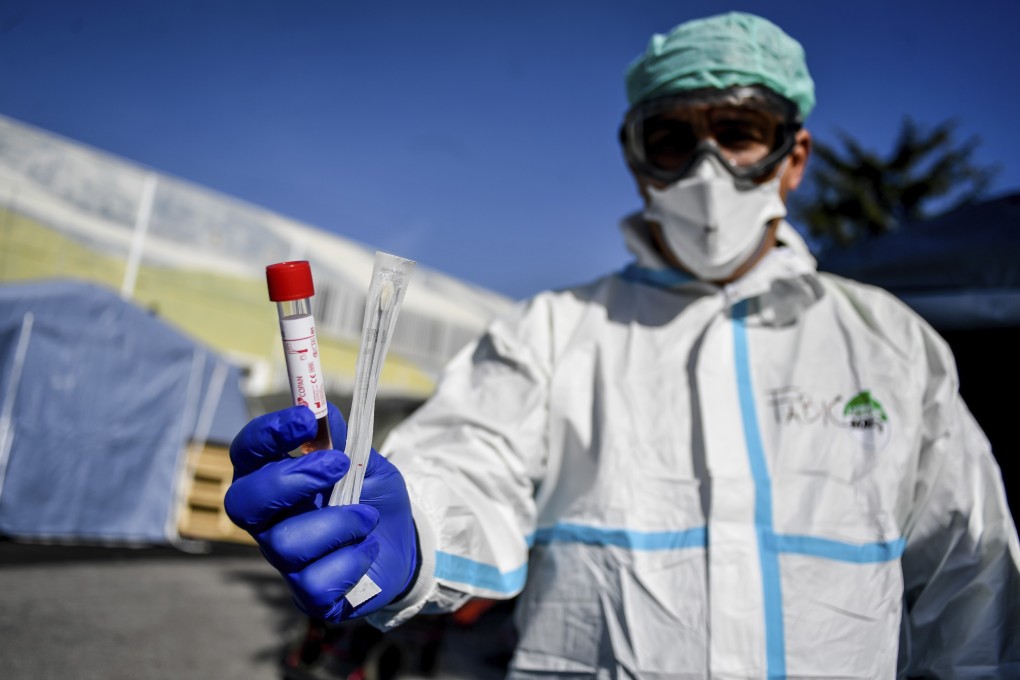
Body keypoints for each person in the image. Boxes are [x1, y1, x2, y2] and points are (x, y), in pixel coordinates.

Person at [225, 11, 1020, 678]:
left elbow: (974, 584)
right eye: (672, 138)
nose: (707, 168)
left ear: (794, 158)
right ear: (638, 163)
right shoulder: (553, 331)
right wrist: (410, 530)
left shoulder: (892, 345)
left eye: (739, 131)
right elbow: (470, 459)